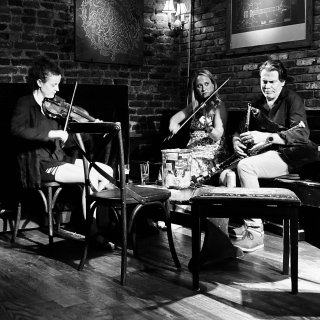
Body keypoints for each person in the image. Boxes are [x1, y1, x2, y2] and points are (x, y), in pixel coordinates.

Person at [10, 56, 114, 248]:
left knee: (106, 171)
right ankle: (94, 232)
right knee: (90, 176)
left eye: (59, 84)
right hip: (38, 164)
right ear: (40, 82)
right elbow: (16, 130)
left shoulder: (56, 106)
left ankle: (94, 225)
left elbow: (67, 140)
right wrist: (52, 133)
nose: (57, 89)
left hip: (59, 159)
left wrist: (92, 125)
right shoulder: (25, 103)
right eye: (53, 85)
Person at [221, 59, 319, 252]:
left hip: (294, 155)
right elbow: (238, 131)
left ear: (282, 82)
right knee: (227, 174)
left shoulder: (292, 99)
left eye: (272, 81)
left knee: (246, 167)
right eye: (264, 81)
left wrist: (267, 137)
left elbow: (302, 134)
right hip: (271, 155)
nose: (267, 86)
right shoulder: (257, 103)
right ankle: (236, 224)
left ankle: (255, 232)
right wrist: (236, 142)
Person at [169, 69, 228, 184]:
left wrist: (208, 127)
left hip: (212, 153)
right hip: (192, 151)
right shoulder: (195, 106)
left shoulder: (218, 105)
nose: (203, 89)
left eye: (206, 84)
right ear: (195, 89)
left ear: (213, 85)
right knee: (170, 165)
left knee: (186, 169)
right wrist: (174, 126)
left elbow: (218, 136)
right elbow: (175, 119)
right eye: (199, 86)